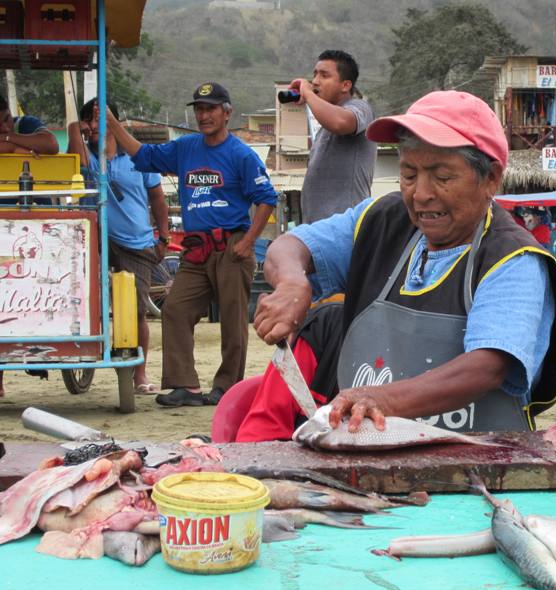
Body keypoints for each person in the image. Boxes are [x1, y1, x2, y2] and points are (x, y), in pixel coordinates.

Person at [232, 90, 556, 441]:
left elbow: (488, 366)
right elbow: (290, 246)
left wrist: (380, 398)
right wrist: (291, 282)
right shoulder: (380, 220)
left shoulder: (513, 258)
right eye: (409, 174)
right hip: (372, 455)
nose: (420, 194)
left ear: (491, 179)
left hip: (479, 463)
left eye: (442, 177)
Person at [106, 82, 278, 407]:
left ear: (227, 113)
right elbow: (143, 155)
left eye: (211, 108)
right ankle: (186, 385)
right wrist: (115, 125)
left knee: (232, 319)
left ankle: (227, 387)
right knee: (175, 309)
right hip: (196, 249)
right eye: (199, 109)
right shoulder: (185, 148)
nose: (203, 115)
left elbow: (267, 199)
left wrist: (249, 243)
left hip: (232, 245)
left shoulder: (240, 154)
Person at [67, 98, 169, 395]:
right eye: (91, 122)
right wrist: (79, 125)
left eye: (100, 120)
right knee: (85, 304)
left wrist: (162, 236)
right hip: (95, 239)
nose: (94, 127)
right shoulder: (90, 158)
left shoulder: (138, 157)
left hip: (136, 240)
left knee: (136, 310)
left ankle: (139, 374)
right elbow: (73, 138)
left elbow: (158, 199)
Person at [0, 97, 62, 396]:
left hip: (38, 223)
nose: (5, 126)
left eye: (6, 120)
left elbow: (51, 145)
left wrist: (11, 140)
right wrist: (20, 148)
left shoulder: (26, 124)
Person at [289, 50, 377, 223]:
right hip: (318, 230)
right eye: (314, 75)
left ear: (345, 85)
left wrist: (307, 93)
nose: (315, 81)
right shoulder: (324, 129)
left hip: (344, 228)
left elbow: (340, 123)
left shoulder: (361, 108)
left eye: (324, 75)